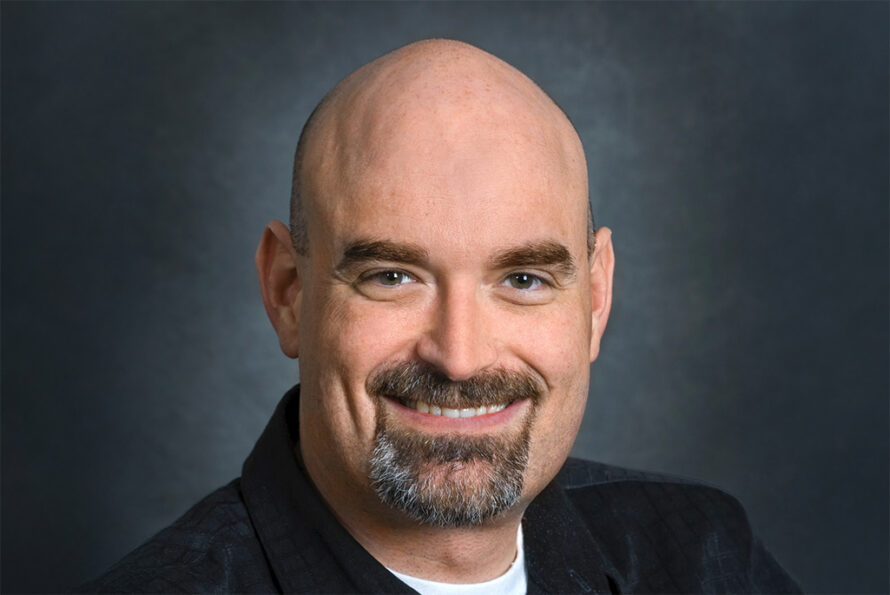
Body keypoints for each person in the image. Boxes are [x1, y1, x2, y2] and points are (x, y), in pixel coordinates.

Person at [81, 39, 799, 594]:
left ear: (595, 300)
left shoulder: (703, 558)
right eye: (392, 276)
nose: (459, 357)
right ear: (289, 291)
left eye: (522, 278)